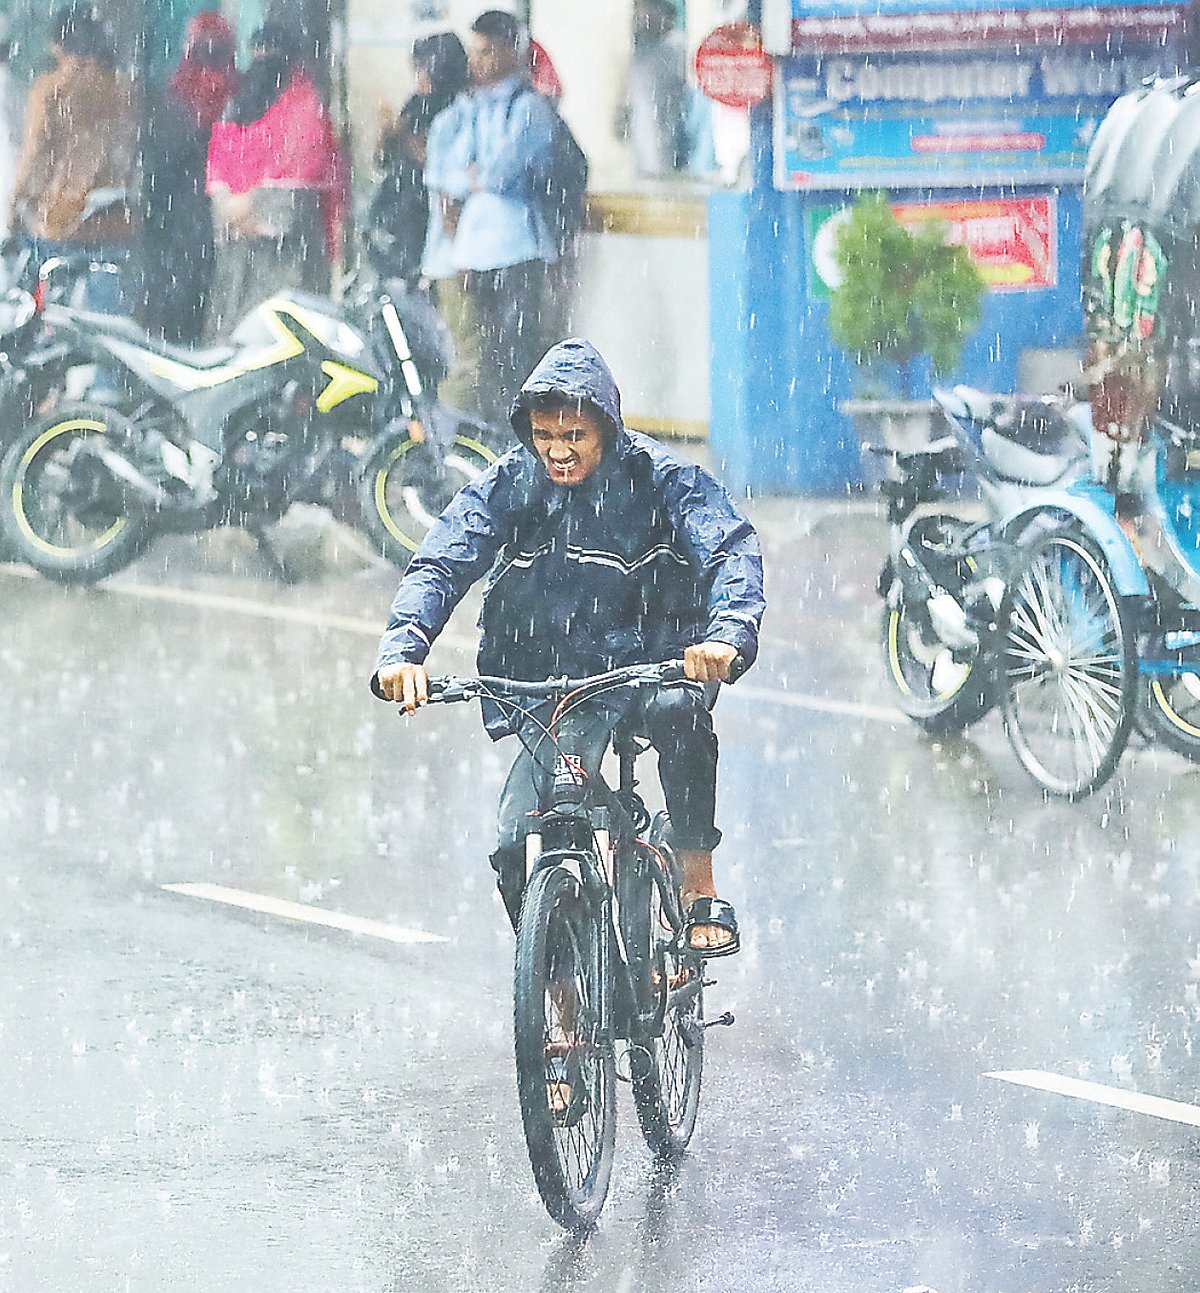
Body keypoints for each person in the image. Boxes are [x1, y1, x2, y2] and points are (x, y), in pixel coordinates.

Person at [372, 338, 765, 955]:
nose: (557, 451)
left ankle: (697, 882)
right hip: (554, 683)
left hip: (652, 662)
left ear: (605, 429)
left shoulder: (662, 477)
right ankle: (558, 990)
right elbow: (442, 561)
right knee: (513, 846)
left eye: (574, 436)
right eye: (543, 435)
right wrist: (404, 649)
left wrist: (726, 634)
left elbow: (729, 550)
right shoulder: (509, 483)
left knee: (679, 715)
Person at [421, 9, 560, 426]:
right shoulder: (467, 109)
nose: (476, 61)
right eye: (474, 51)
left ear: (510, 50)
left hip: (517, 250)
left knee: (518, 355)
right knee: (481, 357)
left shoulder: (530, 107)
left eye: (486, 51)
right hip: (473, 255)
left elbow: (503, 171)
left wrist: (477, 179)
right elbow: (452, 180)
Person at [205, 22, 344, 336]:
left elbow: (307, 167)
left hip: (288, 252)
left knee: (285, 333)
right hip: (239, 247)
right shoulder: (237, 104)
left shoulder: (306, 104)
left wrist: (249, 206)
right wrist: (232, 206)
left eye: (270, 55)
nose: (262, 63)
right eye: (258, 54)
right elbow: (218, 162)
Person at [9, 7, 139, 313]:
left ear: (57, 45)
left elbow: (36, 156)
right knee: (105, 327)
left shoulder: (51, 88)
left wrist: (14, 206)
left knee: (52, 326)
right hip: (114, 223)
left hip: (60, 223)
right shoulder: (124, 89)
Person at [141, 11, 238, 343]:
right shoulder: (239, 93)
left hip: (185, 218)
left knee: (178, 313)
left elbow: (159, 168)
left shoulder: (177, 93)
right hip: (216, 217)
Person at [367, 33, 469, 285]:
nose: (418, 78)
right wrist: (387, 132)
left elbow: (435, 161)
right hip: (398, 206)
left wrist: (401, 133)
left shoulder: (456, 108)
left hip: (428, 214)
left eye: (423, 69)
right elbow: (384, 158)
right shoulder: (416, 103)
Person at [621, 0, 690, 178]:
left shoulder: (678, 48)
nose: (641, 14)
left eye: (647, 7)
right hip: (640, 162)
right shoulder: (636, 50)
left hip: (672, 160)